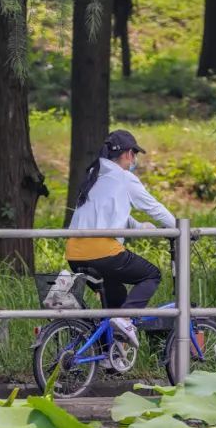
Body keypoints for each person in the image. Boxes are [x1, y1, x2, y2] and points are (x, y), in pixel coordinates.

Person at [65, 129, 176, 342]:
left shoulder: (95, 176)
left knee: (115, 296)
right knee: (151, 275)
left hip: (74, 254)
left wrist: (138, 226)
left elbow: (108, 213)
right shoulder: (124, 177)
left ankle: (109, 355)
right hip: (102, 252)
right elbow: (154, 208)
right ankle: (125, 319)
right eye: (134, 154)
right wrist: (179, 228)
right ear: (127, 154)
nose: (134, 160)